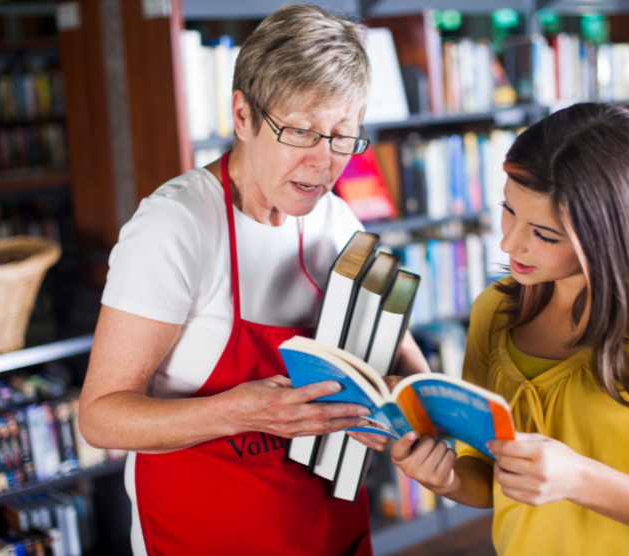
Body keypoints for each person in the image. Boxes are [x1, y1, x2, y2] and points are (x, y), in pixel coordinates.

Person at [78, 5, 428, 555]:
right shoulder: (177, 226)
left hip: (327, 527)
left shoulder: (337, 220)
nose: (324, 162)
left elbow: (397, 354)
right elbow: (100, 418)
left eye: (342, 137)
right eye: (302, 132)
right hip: (204, 533)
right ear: (243, 115)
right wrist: (238, 412)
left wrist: (405, 414)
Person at [389, 102, 629, 555]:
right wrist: (445, 476)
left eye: (544, 234)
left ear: (608, 234)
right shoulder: (495, 311)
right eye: (508, 210)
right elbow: (489, 480)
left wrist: (580, 479)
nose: (509, 243)